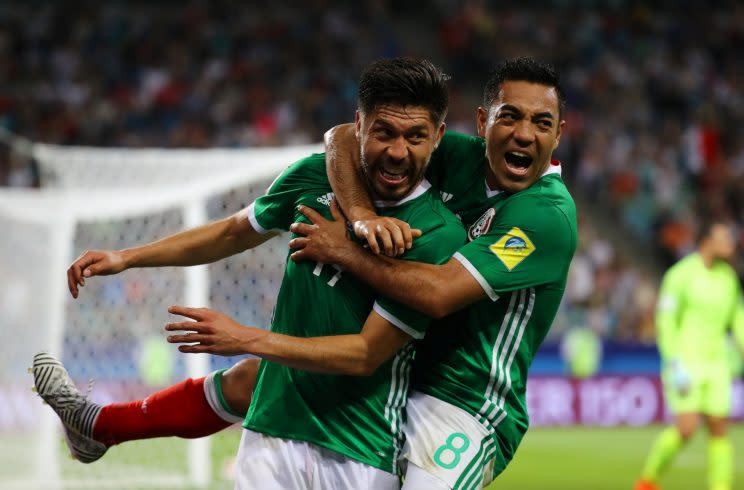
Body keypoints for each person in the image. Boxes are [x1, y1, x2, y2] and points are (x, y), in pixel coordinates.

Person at [33, 57, 466, 489]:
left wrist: (243, 338)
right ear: (360, 125)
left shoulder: (436, 233)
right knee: (246, 380)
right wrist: (128, 257)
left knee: (244, 377)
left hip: (360, 451)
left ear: (438, 138)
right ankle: (99, 427)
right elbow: (230, 233)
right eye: (384, 133)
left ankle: (99, 426)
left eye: (415, 137)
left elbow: (364, 355)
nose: (396, 152)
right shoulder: (314, 177)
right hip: (270, 438)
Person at [287, 56, 577, 489]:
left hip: (468, 407)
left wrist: (347, 251)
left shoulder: (548, 216)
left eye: (541, 123)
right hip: (397, 381)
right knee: (253, 383)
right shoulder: (460, 159)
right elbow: (342, 137)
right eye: (509, 117)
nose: (523, 134)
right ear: (483, 122)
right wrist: (363, 215)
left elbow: (439, 294)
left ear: (558, 135)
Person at [635, 222, 744, 490]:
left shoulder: (727, 278)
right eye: (724, 238)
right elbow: (666, 319)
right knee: (687, 428)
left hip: (718, 362)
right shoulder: (681, 275)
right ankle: (648, 481)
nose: (730, 244)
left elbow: (738, 319)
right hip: (686, 361)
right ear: (707, 241)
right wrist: (673, 360)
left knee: (719, 428)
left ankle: (721, 487)